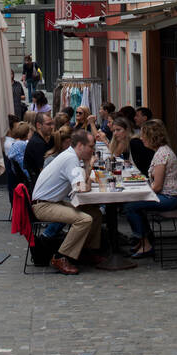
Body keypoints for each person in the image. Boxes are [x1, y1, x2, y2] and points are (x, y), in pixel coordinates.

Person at [30, 129, 104, 274]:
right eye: (91, 146)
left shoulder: (71, 156)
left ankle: (85, 251)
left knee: (95, 213)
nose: (93, 150)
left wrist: (88, 169)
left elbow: (81, 184)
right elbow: (81, 188)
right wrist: (88, 172)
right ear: (80, 146)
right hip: (43, 206)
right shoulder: (70, 159)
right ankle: (60, 257)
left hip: (51, 202)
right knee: (84, 219)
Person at [124, 119, 177, 257]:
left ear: (152, 136)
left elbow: (157, 186)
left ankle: (145, 243)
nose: (141, 138)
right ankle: (144, 238)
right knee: (134, 205)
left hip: (170, 197)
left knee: (131, 207)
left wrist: (138, 192)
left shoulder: (162, 154)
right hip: (168, 195)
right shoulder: (161, 151)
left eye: (144, 135)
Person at [23, 111, 54, 185]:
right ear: (38, 125)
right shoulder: (38, 143)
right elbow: (43, 171)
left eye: (52, 123)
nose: (52, 127)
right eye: (48, 124)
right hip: (39, 185)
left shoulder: (41, 140)